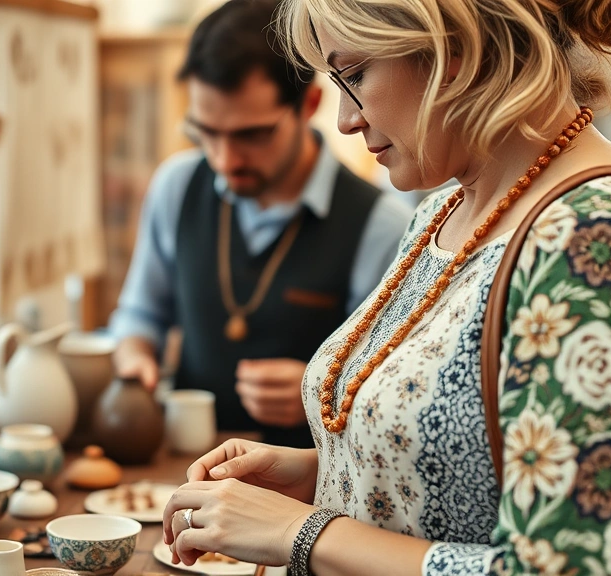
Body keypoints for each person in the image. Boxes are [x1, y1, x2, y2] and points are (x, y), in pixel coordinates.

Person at [162, 0, 611, 574]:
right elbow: (467, 473)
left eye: (353, 75)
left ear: (450, 48)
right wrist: (324, 469)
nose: (345, 121)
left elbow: (576, 566)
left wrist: (298, 532)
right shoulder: (444, 211)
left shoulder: (599, 233)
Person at [110, 0, 413, 449]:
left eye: (251, 135)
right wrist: (134, 354)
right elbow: (141, 315)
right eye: (206, 133)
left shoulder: (383, 225)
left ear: (309, 104)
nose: (224, 160)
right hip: (187, 462)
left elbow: (388, 393)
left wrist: (317, 392)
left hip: (309, 485)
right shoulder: (177, 186)